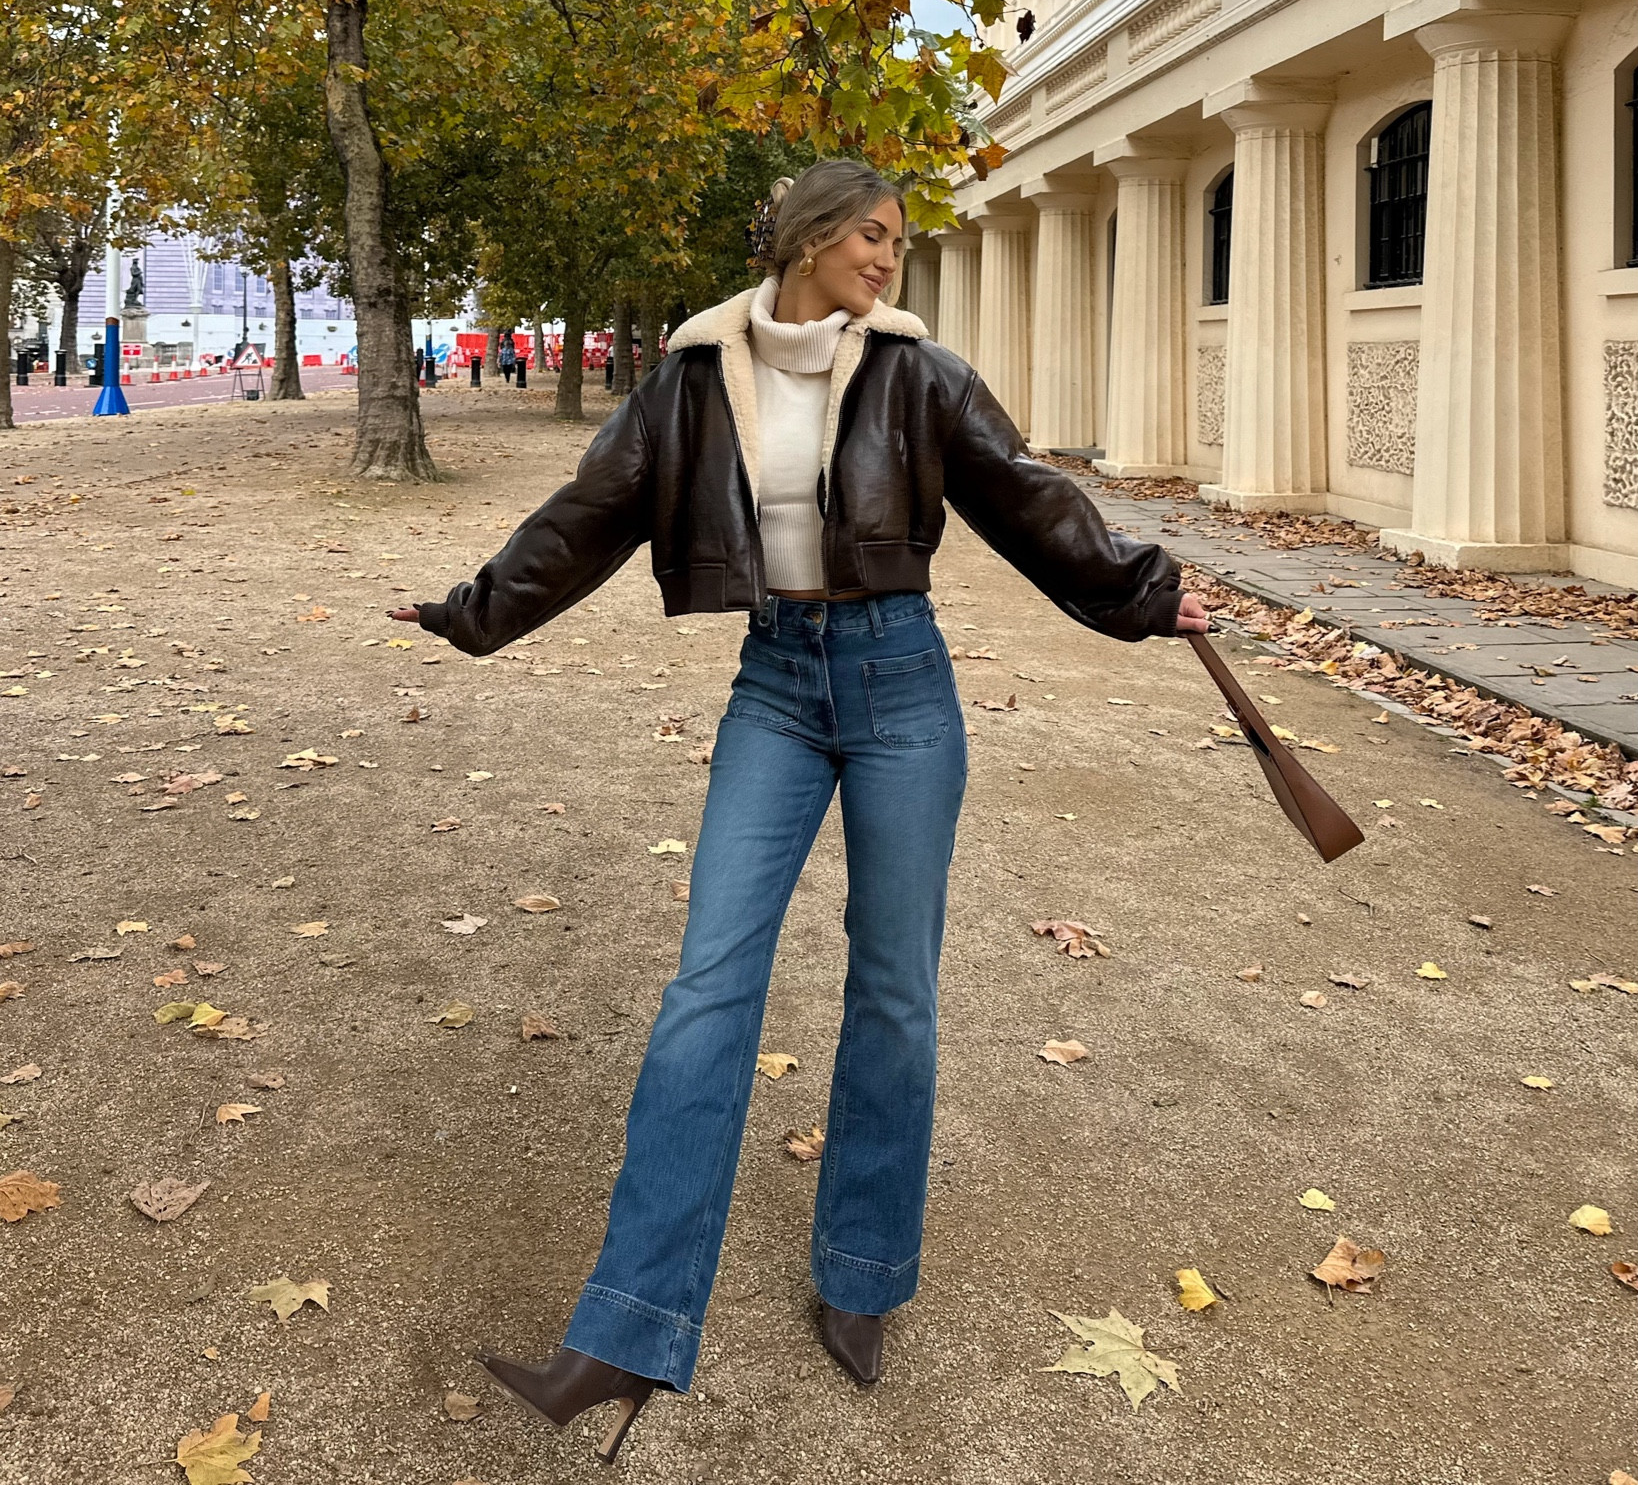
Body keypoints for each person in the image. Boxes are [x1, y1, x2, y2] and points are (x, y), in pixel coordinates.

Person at [389, 160, 1207, 1463]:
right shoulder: (695, 376)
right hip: (775, 681)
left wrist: (1146, 592)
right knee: (707, 988)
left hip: (901, 685)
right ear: (811, 237)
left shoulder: (919, 374)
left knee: (893, 988)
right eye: (871, 235)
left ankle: (863, 1273)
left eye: (898, 242)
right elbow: (590, 510)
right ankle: (625, 1333)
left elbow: (1025, 494)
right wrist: (475, 610)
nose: (887, 258)